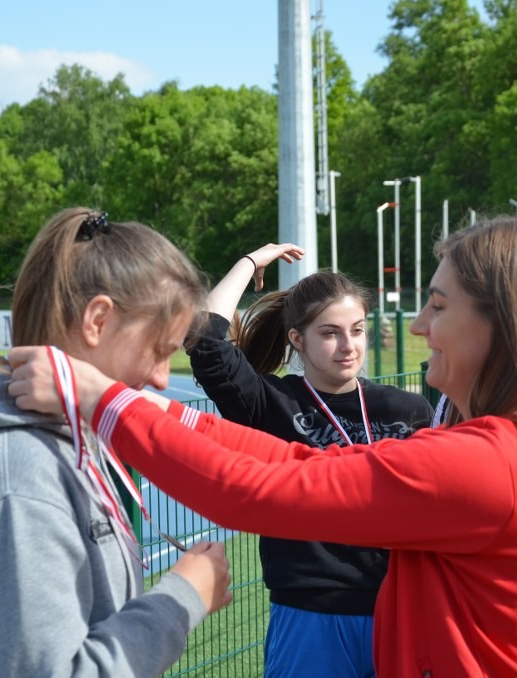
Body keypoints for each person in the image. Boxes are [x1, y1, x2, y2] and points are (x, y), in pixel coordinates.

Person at [8, 217, 517, 676]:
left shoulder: (489, 463)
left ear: (502, 326)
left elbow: (261, 490)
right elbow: (300, 463)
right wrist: (151, 407)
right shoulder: (516, 446)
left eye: (437, 305)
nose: (417, 326)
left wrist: (103, 400)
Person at [0, 207, 232, 677]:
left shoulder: (69, 441)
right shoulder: (15, 474)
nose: (162, 379)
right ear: (98, 320)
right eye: (158, 350)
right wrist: (182, 598)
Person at [184, 244, 434, 677]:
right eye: (330, 333)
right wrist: (249, 262)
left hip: (399, 610)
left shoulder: (408, 409)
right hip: (310, 615)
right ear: (297, 339)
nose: (348, 346)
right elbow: (205, 340)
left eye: (357, 330)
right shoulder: (271, 403)